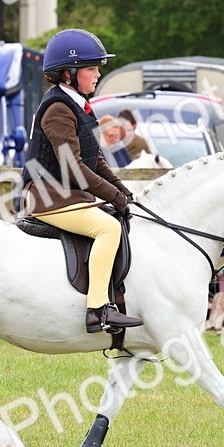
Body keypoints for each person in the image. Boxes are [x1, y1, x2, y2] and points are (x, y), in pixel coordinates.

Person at [19, 29, 143, 334]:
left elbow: (95, 159)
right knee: (108, 228)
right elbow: (73, 168)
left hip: (64, 194)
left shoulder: (78, 105)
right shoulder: (58, 110)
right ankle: (98, 310)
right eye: (91, 68)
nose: (98, 74)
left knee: (117, 218)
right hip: (47, 195)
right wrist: (113, 196)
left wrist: (123, 191)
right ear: (69, 73)